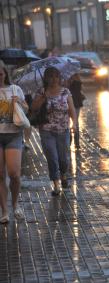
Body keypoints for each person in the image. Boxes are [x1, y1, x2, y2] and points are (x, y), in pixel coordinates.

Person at [31, 67, 77, 196]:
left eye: (56, 76)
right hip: (46, 130)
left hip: (63, 130)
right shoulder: (41, 91)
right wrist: (42, 98)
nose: (54, 79)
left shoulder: (65, 92)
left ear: (59, 77)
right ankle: (56, 184)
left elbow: (72, 109)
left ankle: (63, 174)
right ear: (46, 78)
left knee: (63, 159)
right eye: (50, 76)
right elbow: (33, 108)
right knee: (52, 157)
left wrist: (75, 123)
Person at [0, 64, 29, 223]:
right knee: (0, 175)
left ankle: (16, 204)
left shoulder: (15, 89)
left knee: (14, 174)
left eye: (0, 74)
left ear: (5, 74)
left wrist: (19, 103)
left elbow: (26, 109)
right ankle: (4, 211)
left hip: (13, 135)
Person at [67, 73, 85, 149]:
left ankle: (70, 141)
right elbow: (81, 90)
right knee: (75, 122)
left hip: (70, 103)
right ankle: (77, 143)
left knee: (68, 122)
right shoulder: (78, 80)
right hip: (76, 102)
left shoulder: (68, 81)